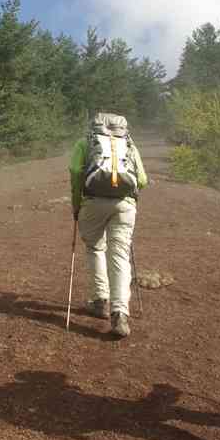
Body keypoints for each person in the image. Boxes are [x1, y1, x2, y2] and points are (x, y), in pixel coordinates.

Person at [68, 112, 149, 338]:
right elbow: (142, 180)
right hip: (124, 205)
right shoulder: (129, 144)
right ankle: (120, 312)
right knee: (120, 255)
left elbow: (76, 172)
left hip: (92, 202)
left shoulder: (85, 142)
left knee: (95, 248)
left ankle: (100, 301)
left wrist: (76, 205)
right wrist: (129, 196)